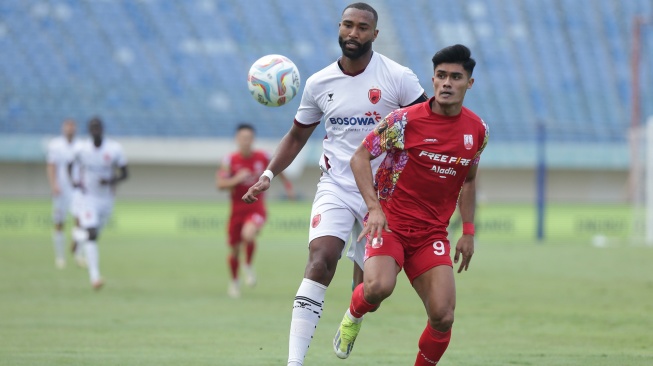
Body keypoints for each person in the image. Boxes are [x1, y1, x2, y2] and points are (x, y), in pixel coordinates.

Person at [242, 3, 427, 365]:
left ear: (374, 34)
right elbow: (296, 136)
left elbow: (427, 124)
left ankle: (353, 316)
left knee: (370, 290)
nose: (353, 33)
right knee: (321, 260)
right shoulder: (318, 83)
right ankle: (294, 362)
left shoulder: (398, 77)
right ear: (339, 28)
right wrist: (268, 175)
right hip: (337, 187)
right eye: (347, 25)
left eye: (362, 28)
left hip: (384, 197)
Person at [333, 44, 489, 364]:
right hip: (389, 222)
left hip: (431, 233)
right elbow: (360, 157)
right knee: (377, 288)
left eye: (455, 77)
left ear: (468, 83)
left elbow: (469, 179)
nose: (447, 83)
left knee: (443, 316)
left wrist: (469, 231)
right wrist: (374, 208)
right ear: (432, 79)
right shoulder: (403, 122)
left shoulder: (477, 131)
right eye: (441, 76)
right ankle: (353, 316)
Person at [216, 123, 295, 298]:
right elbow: (220, 184)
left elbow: (278, 169)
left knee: (249, 234)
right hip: (236, 211)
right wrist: (236, 179)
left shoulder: (263, 157)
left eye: (249, 138)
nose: (246, 141)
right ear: (237, 139)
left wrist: (288, 186)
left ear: (253, 139)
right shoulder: (230, 161)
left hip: (256, 207)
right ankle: (235, 282)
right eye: (243, 138)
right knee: (235, 250)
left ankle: (248, 265)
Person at [69, 117, 128, 290]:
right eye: (92, 128)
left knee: (93, 235)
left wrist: (110, 181)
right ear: (89, 130)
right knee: (92, 234)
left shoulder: (114, 149)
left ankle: (77, 236)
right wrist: (74, 182)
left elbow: (125, 174)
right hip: (88, 198)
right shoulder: (81, 149)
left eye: (98, 127)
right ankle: (95, 277)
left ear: (102, 129)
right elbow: (69, 165)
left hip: (106, 200)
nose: (95, 130)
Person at [46, 119, 84, 268]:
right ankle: (60, 257)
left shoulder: (81, 146)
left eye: (72, 127)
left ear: (75, 129)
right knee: (59, 223)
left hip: (76, 190)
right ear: (63, 129)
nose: (70, 130)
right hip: (61, 189)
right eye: (67, 127)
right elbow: (51, 166)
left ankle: (78, 253)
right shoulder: (55, 145)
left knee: (79, 221)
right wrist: (54, 184)